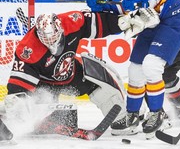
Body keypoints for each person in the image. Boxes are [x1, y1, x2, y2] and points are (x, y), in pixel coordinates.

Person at [93, 0, 180, 138]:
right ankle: (133, 115)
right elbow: (128, 9)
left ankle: (157, 114)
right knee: (135, 69)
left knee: (152, 66)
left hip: (172, 20)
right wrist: (105, 4)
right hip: (149, 24)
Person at [4, 10, 127, 138]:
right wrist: (16, 103)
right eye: (45, 38)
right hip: (45, 84)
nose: (50, 41)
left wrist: (122, 22)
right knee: (34, 107)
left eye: (53, 36)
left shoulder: (72, 21)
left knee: (100, 83)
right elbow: (19, 85)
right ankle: (44, 122)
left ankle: (121, 119)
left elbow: (100, 22)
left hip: (72, 74)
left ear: (60, 28)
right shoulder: (28, 50)